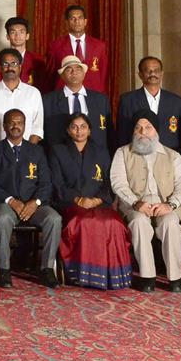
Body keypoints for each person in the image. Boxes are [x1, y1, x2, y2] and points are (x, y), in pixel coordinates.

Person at [47, 112, 131, 290]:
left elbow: (109, 182)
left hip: (99, 203)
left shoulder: (101, 151)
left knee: (113, 223)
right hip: (70, 203)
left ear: (90, 130)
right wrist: (77, 199)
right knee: (84, 222)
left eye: (83, 127)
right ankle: (83, 274)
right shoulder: (58, 151)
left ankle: (113, 276)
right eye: (74, 127)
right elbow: (56, 183)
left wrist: (96, 200)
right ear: (68, 131)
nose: (79, 131)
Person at [109, 111, 181, 292]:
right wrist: (135, 203)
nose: (143, 132)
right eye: (138, 128)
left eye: (148, 128)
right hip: (135, 204)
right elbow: (118, 183)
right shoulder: (123, 153)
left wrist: (170, 205)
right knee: (139, 222)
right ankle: (147, 277)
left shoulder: (173, 155)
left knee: (170, 224)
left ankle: (175, 278)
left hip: (166, 204)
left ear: (156, 131)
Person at [0, 109, 61, 288]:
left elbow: (46, 183)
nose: (15, 126)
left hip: (34, 204)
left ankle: (47, 269)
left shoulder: (37, 151)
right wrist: (11, 200)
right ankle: (4, 270)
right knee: (3, 219)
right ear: (4, 126)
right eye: (11, 122)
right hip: (7, 204)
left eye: (19, 122)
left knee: (54, 219)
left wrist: (34, 203)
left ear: (25, 126)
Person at [116, 56, 181, 151]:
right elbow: (122, 134)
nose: (152, 73)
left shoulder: (176, 101)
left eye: (156, 70)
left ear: (162, 74)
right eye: (148, 70)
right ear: (140, 75)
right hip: (139, 155)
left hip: (170, 156)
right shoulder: (128, 100)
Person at [42, 55, 112, 150]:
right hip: (61, 156)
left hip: (96, 156)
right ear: (62, 75)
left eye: (78, 69)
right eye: (68, 70)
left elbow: (110, 133)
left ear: (84, 73)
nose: (74, 72)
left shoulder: (101, 100)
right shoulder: (48, 101)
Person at [0, 48, 45, 146]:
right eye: (5, 64)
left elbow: (37, 127)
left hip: (27, 154)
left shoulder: (33, 93)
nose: (10, 68)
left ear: (20, 67)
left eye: (14, 63)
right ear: (0, 68)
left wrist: (27, 151)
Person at [44, 5, 111, 96]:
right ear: (67, 22)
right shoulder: (55, 46)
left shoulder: (100, 46)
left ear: (85, 21)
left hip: (93, 95)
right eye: (73, 18)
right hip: (64, 96)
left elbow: (104, 75)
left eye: (80, 18)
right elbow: (50, 76)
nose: (77, 21)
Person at [0, 17, 47, 91]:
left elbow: (43, 87)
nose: (17, 36)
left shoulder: (37, 60)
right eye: (13, 32)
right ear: (7, 36)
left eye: (21, 32)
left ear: (27, 36)